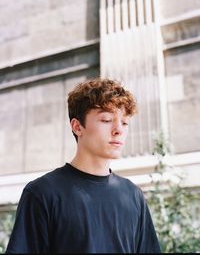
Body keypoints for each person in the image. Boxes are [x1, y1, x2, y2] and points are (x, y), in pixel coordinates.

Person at [6, 77, 161, 253]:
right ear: (77, 127)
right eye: (106, 120)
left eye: (124, 122)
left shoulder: (133, 195)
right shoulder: (43, 193)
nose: (119, 130)